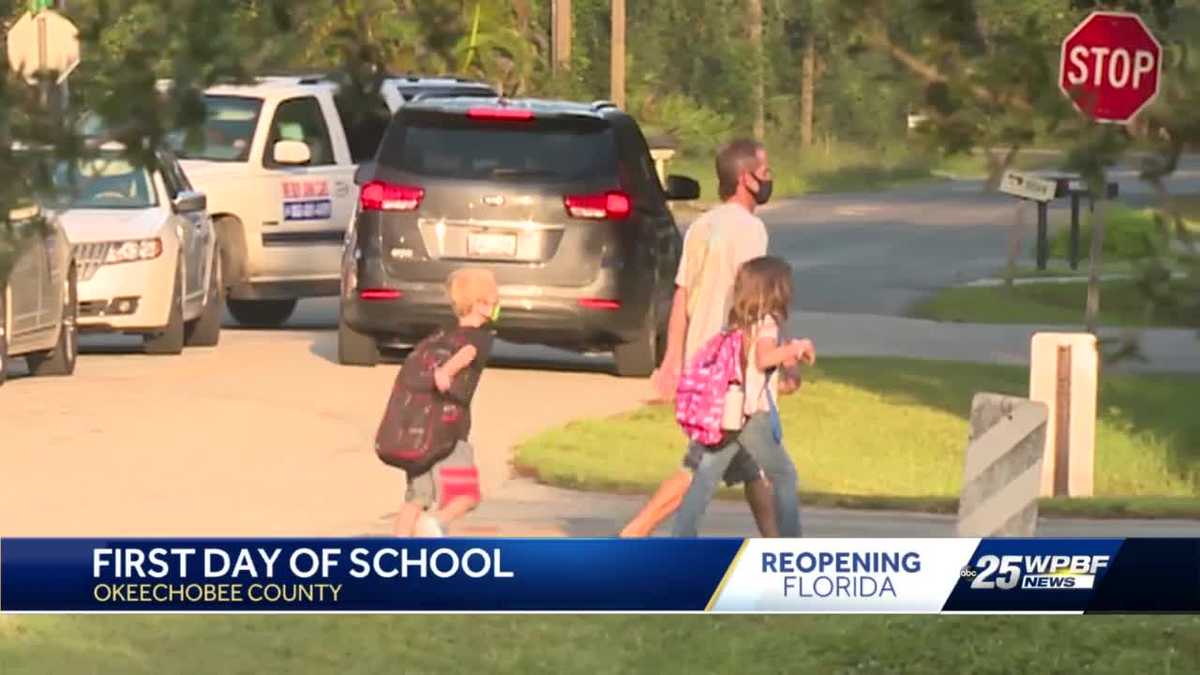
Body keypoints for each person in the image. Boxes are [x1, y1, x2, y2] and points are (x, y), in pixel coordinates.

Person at [620, 138, 798, 538]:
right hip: (733, 370)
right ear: (745, 178)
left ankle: (778, 550)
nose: (769, 178)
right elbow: (758, 302)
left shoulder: (702, 226)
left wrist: (673, 359)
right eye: (765, 171)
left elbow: (682, 294)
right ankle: (633, 534)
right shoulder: (750, 230)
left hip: (703, 361)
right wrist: (783, 357)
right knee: (703, 464)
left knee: (751, 467)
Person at [672, 256, 814, 538]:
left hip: (729, 412)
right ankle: (791, 544)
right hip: (751, 416)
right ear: (776, 289)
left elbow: (755, 371)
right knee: (784, 475)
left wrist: (787, 369)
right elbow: (763, 359)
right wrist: (797, 347)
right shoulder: (767, 323)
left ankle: (681, 538)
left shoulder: (739, 323)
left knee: (705, 477)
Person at [394, 268, 498, 537]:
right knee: (467, 496)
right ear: (480, 304)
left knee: (417, 498)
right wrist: (446, 372)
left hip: (420, 431)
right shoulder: (480, 337)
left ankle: (398, 549)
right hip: (450, 432)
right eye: (493, 299)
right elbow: (467, 353)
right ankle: (436, 522)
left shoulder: (441, 335)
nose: (497, 304)